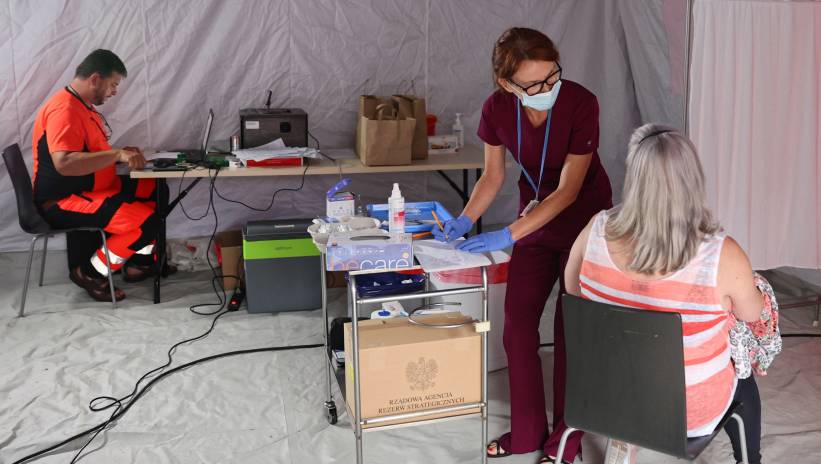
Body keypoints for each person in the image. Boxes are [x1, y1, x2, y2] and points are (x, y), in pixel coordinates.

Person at [432, 28, 612, 463]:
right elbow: (492, 176)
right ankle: (528, 433)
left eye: (552, 77)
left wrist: (508, 234)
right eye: (533, 84)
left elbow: (568, 191)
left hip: (583, 221)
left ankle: (565, 442)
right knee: (516, 327)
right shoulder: (495, 109)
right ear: (506, 84)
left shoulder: (581, 102)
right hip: (532, 221)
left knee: (570, 331)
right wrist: (465, 220)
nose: (547, 89)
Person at [564, 123, 764, 464]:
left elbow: (573, 292)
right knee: (743, 378)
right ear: (693, 180)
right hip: (686, 416)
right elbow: (752, 314)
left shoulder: (594, 230)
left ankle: (624, 445)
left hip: (606, 400)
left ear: (635, 179)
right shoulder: (722, 255)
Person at [31, 49, 173, 302]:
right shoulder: (64, 110)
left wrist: (121, 154)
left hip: (96, 187)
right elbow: (64, 163)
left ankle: (139, 264)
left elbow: (91, 152)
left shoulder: (82, 106)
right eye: (113, 84)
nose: (114, 91)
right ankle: (90, 273)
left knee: (155, 189)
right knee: (146, 223)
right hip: (66, 199)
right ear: (95, 79)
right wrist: (117, 154)